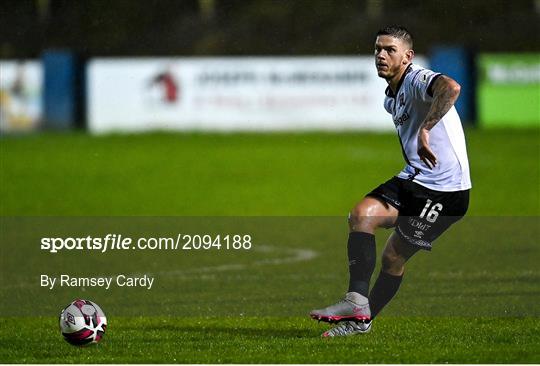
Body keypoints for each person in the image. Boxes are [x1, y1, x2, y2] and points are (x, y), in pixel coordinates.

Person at [310, 26, 471, 337]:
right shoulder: (391, 97)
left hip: (445, 192)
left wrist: (426, 129)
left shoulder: (415, 78)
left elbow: (450, 87)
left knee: (393, 257)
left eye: (389, 50)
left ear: (407, 57)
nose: (381, 56)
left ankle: (361, 324)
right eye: (377, 50)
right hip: (414, 177)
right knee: (361, 215)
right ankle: (356, 300)